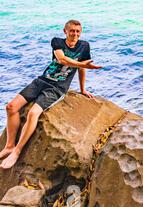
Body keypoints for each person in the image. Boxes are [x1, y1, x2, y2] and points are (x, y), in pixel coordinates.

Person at [0, 20, 101, 169]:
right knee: (11, 107)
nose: (75, 34)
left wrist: (83, 89)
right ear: (65, 31)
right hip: (42, 81)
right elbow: (62, 59)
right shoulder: (57, 42)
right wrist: (83, 64)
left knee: (33, 113)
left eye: (78, 31)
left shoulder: (84, 46)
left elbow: (82, 69)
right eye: (72, 31)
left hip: (57, 88)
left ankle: (17, 151)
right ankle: (9, 146)